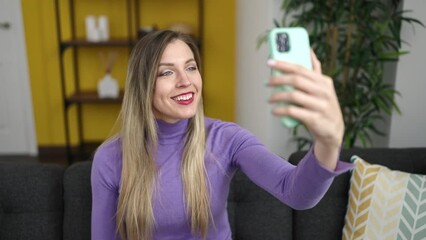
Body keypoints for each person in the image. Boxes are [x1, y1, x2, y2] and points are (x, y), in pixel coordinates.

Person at [91, 30, 354, 240]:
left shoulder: (227, 138)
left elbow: (296, 192)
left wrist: (328, 142)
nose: (185, 81)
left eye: (191, 67)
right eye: (167, 72)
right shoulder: (110, 158)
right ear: (143, 86)